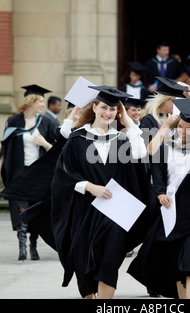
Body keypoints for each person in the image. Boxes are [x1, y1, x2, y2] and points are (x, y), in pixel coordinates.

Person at [50, 86, 148, 299]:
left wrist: (128, 122)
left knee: (109, 261)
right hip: (84, 210)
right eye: (104, 107)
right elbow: (63, 174)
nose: (108, 113)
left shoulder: (121, 140)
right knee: (82, 260)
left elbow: (141, 153)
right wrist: (89, 186)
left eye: (113, 109)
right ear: (94, 107)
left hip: (115, 210)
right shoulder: (77, 139)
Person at [128, 98, 190, 299]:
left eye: (189, 129)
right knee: (177, 269)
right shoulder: (168, 146)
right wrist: (160, 192)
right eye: (180, 127)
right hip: (173, 214)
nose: (182, 132)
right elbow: (152, 155)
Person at [0, 85, 57, 261]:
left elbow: (56, 150)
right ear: (31, 102)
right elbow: (4, 149)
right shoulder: (13, 122)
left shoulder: (46, 123)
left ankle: (33, 245)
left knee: (35, 210)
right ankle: (22, 246)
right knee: (22, 208)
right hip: (19, 173)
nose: (43, 105)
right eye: (41, 101)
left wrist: (44, 143)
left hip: (39, 173)